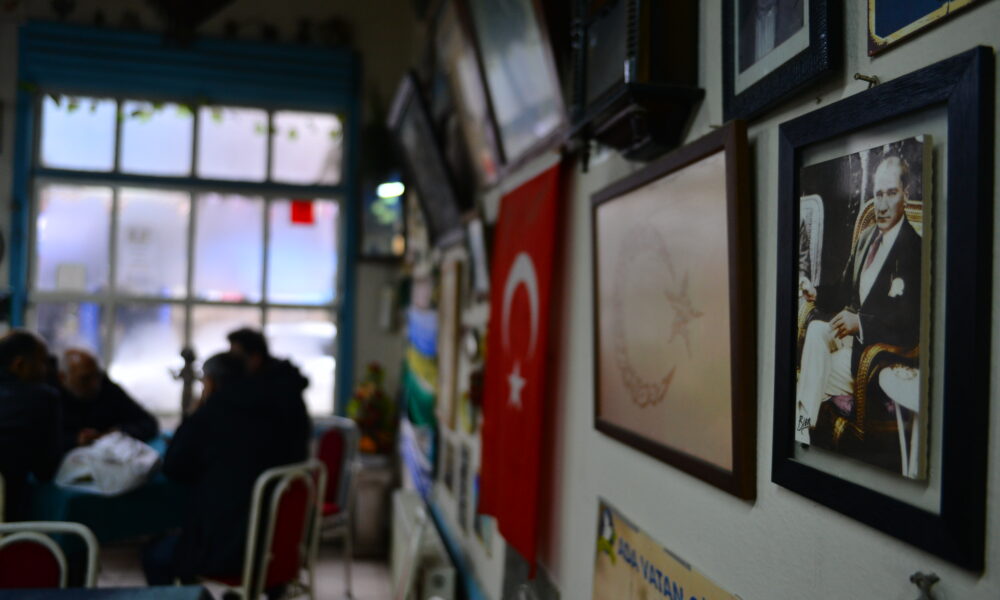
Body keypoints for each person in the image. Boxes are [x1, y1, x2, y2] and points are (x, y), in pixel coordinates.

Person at [142, 352, 310, 586]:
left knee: (155, 555)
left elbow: (174, 467)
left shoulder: (211, 414)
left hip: (226, 547)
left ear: (210, 382)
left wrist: (193, 415)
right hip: (277, 544)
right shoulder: (277, 407)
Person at [795, 155, 922, 444]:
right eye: (878, 194)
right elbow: (843, 290)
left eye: (891, 193)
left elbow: (909, 323)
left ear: (906, 194)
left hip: (875, 356)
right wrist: (816, 292)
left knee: (808, 376)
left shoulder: (914, 249)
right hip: (850, 342)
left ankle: (801, 429)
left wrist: (860, 323)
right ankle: (801, 430)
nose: (882, 204)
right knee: (815, 331)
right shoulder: (866, 238)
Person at [0, 330, 63, 521]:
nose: (47, 370)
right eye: (42, 362)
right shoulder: (42, 398)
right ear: (19, 365)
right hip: (8, 516)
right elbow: (46, 470)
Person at [58, 348, 159, 453]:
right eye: (85, 379)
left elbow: (148, 423)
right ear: (62, 377)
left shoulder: (108, 389)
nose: (95, 384)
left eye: (97, 376)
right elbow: (48, 442)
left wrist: (116, 432)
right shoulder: (52, 400)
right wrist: (74, 440)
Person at [227, 328, 311, 430]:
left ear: (255, 358)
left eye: (238, 358)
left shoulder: (277, 389)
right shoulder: (277, 381)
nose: (232, 363)